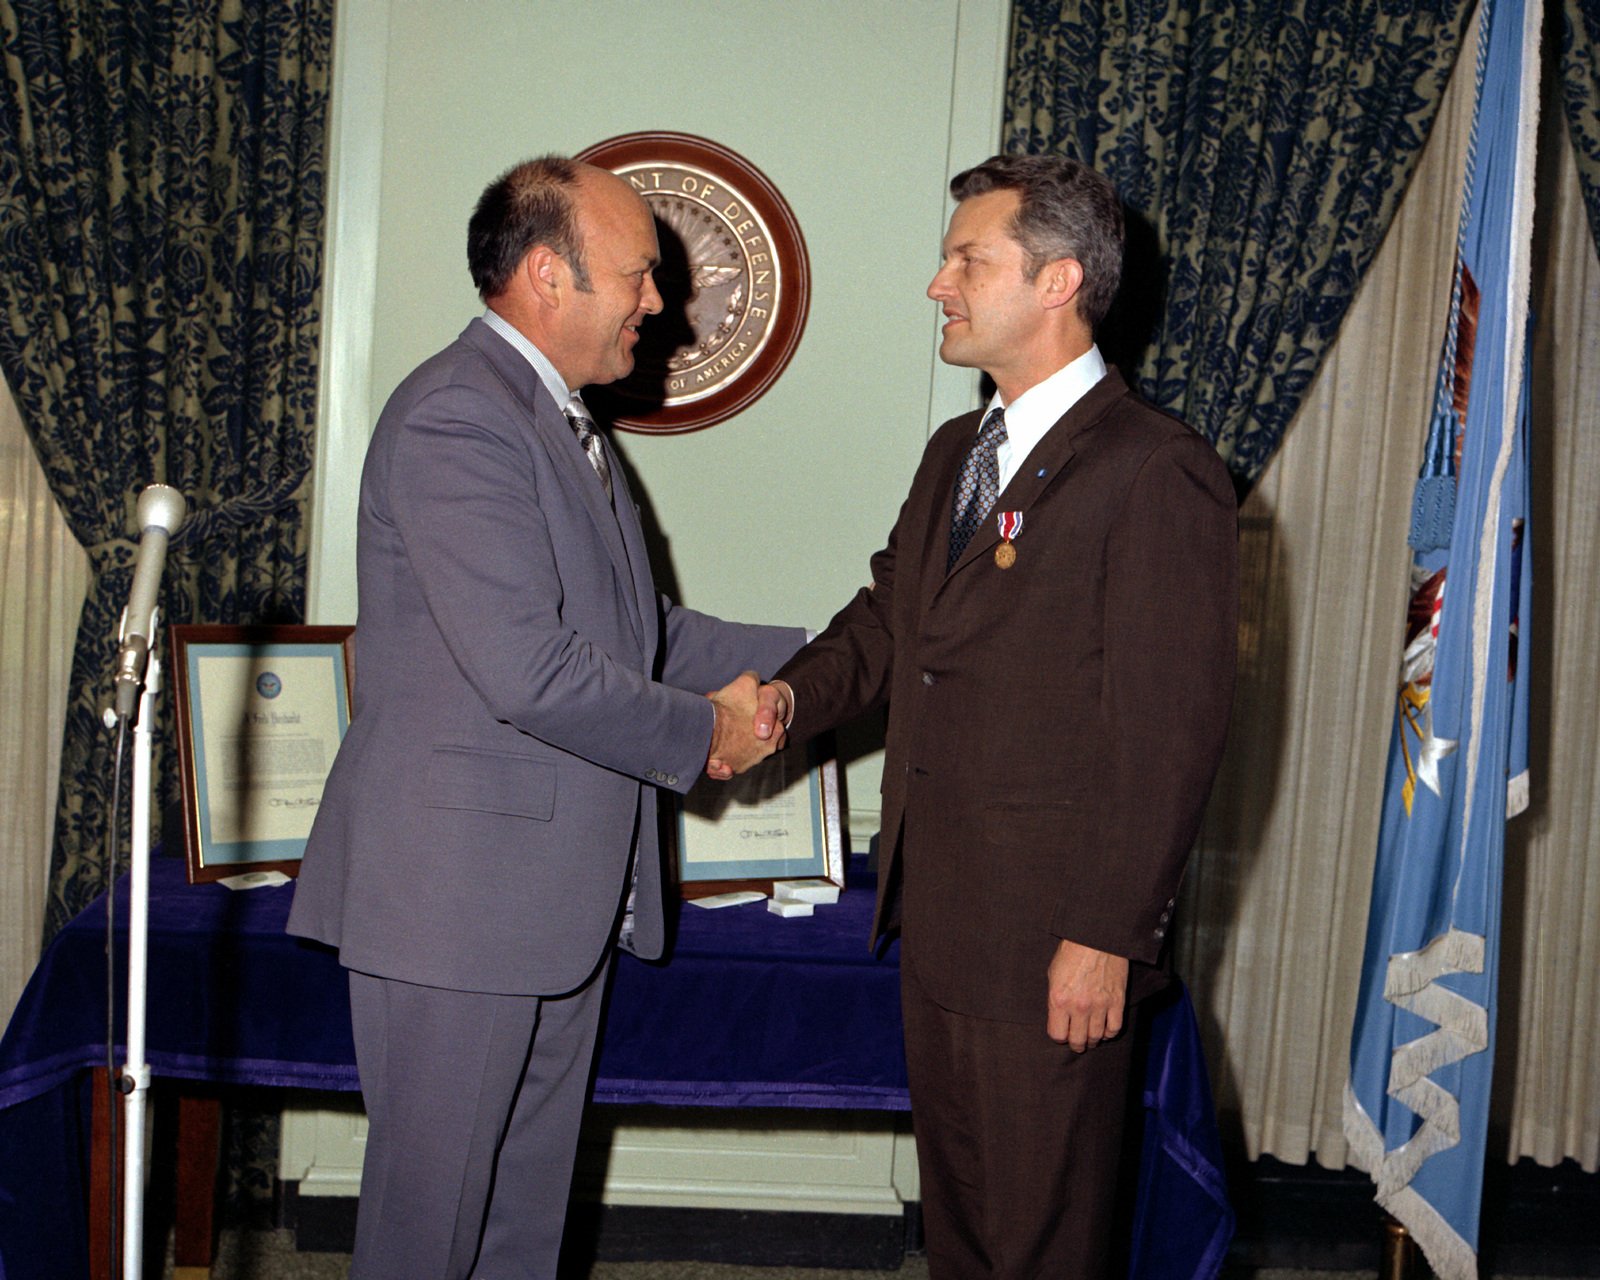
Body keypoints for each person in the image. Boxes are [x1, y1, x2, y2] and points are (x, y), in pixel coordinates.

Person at [287, 155, 804, 1279]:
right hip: (457, 908)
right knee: (432, 1237)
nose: (657, 304)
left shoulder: (563, 424)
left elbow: (645, 634)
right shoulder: (458, 418)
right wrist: (705, 734)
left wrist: (852, 653)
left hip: (544, 909)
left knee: (517, 1232)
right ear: (543, 276)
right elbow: (528, 668)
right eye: (639, 276)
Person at [741, 154, 1239, 1278]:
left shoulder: (1154, 471)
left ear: (1058, 281)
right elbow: (887, 621)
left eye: (968, 258)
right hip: (945, 918)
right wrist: (780, 701)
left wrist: (1107, 933)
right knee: (968, 1228)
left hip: (1052, 934)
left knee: (1040, 1240)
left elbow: (1168, 734)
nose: (938, 282)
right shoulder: (959, 453)